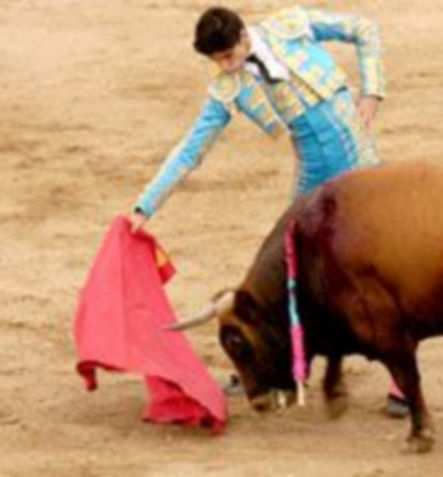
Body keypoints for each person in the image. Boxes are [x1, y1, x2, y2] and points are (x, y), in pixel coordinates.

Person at [127, 5, 408, 417]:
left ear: (243, 36)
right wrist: (144, 206)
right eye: (218, 61)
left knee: (388, 268)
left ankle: (401, 380)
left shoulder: (290, 25)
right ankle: (262, 358)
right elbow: (191, 148)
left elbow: (364, 28)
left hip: (361, 163)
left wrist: (372, 91)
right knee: (283, 268)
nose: (226, 66)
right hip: (313, 176)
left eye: (228, 56)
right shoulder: (230, 86)